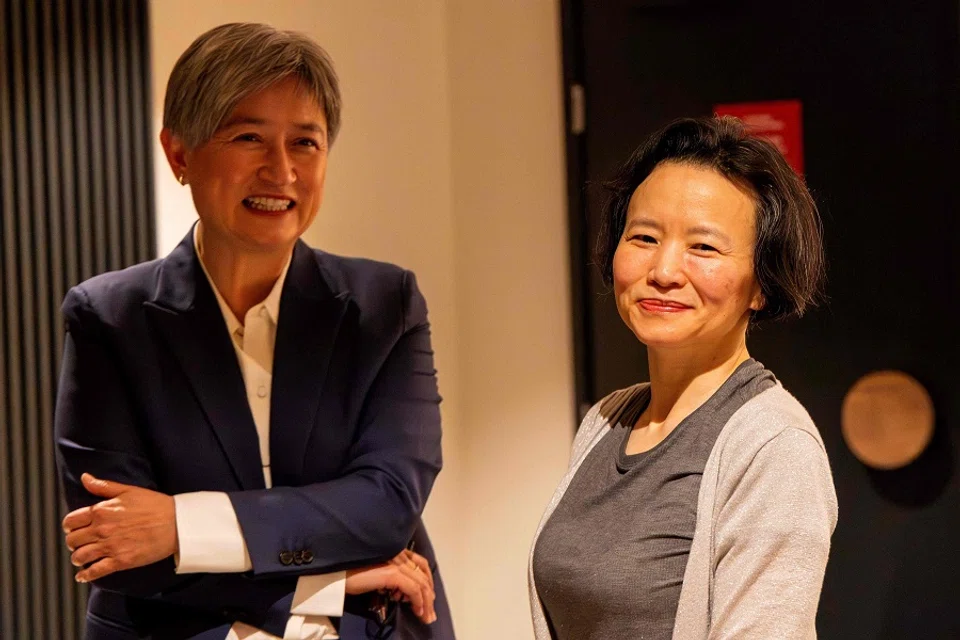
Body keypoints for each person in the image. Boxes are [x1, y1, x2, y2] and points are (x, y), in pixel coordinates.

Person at [54, 22, 454, 640]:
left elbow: (386, 504)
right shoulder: (110, 318)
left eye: (305, 143)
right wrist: (329, 579)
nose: (282, 171)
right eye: (249, 137)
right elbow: (113, 543)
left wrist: (183, 527)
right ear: (179, 154)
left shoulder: (383, 306)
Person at [529, 117, 838, 639]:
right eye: (644, 237)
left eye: (704, 247)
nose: (665, 270)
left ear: (761, 283)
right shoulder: (606, 421)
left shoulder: (774, 446)